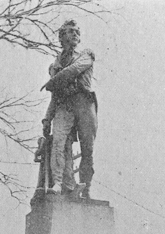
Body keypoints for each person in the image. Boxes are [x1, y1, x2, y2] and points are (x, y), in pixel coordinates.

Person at [41, 19, 98, 200]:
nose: (75, 35)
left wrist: (51, 82)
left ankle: (86, 186)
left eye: (77, 32)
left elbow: (73, 70)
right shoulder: (55, 65)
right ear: (62, 36)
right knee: (58, 142)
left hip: (84, 104)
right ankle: (58, 182)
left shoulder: (86, 55)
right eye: (70, 31)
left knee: (87, 149)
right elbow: (54, 96)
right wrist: (47, 119)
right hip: (64, 105)